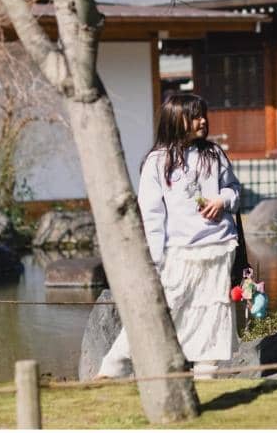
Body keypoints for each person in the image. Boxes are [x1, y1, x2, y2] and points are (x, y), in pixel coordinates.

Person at [97, 93, 240, 380]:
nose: (203, 121)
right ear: (176, 119)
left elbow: (234, 191)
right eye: (195, 115)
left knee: (213, 313)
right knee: (162, 309)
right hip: (179, 252)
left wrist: (222, 201)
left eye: (203, 114)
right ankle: (113, 368)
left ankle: (206, 375)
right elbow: (151, 218)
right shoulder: (157, 162)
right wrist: (154, 260)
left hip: (219, 247)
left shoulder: (214, 154)